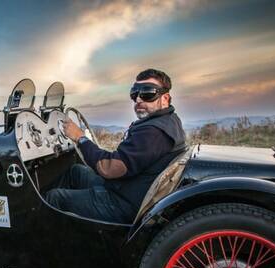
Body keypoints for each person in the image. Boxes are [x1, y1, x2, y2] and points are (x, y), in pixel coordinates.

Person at [45, 68, 186, 223]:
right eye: (135, 93)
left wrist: (80, 138)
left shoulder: (153, 132)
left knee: (55, 197)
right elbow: (127, 159)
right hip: (128, 187)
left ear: (165, 98)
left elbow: (109, 168)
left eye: (147, 93)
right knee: (76, 172)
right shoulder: (170, 120)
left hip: (123, 203)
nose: (139, 99)